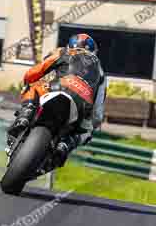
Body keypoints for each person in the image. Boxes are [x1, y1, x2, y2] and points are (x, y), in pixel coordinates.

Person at [6, 33, 106, 165]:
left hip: (59, 87)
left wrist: (27, 80)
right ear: (94, 51)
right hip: (83, 103)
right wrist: (93, 123)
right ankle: (66, 144)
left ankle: (25, 115)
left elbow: (37, 70)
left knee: (34, 86)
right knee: (86, 131)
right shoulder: (101, 72)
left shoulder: (64, 52)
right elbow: (98, 109)